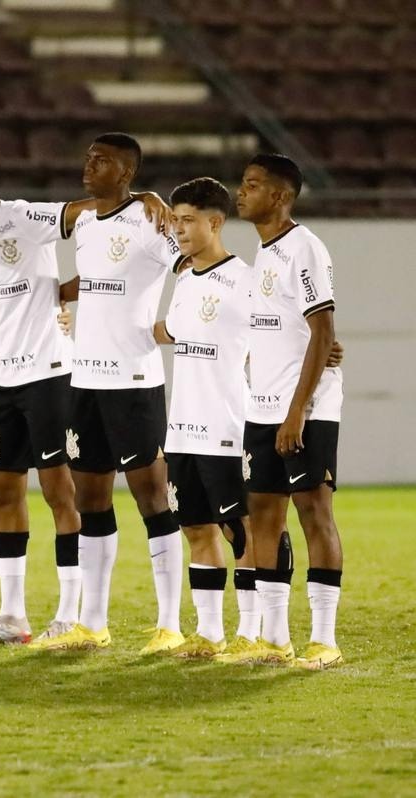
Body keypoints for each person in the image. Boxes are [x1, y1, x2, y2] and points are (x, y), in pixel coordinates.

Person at [0, 181, 166, 645]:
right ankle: (12, 616)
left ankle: (70, 613)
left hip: (51, 375)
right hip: (1, 381)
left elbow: (90, 208)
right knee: (4, 493)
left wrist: (140, 198)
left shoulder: (24, 218)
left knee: (60, 493)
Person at [39, 133, 186, 653]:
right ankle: (93, 622)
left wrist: (188, 322)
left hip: (134, 383)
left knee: (152, 498)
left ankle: (169, 624)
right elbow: (96, 277)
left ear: (126, 173)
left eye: (101, 161)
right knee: (91, 499)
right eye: (88, 156)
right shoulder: (84, 224)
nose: (89, 164)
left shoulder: (150, 219)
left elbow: (189, 262)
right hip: (86, 382)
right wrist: (59, 291)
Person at [223, 154, 344, 669]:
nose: (240, 193)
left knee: (313, 511)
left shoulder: (305, 249)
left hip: (306, 409)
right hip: (262, 406)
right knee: (263, 517)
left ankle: (324, 640)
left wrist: (297, 411)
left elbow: (323, 333)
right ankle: (275, 637)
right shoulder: (262, 257)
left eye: (251, 185)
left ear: (280, 196)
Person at [149, 177, 255, 658]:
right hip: (183, 429)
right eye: (175, 221)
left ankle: (253, 631)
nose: (179, 230)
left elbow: (285, 337)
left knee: (244, 531)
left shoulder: (247, 281)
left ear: (216, 221)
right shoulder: (184, 279)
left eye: (188, 220)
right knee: (195, 527)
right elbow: (168, 332)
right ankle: (210, 633)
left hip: (229, 429)